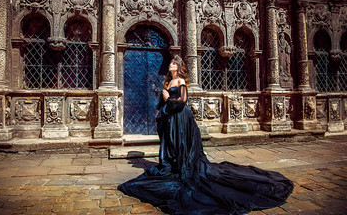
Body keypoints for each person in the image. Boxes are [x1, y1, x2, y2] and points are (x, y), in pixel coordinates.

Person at [118, 55, 293, 215]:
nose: (170, 65)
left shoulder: (180, 81)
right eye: (171, 63)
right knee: (172, 143)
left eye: (173, 63)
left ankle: (182, 165)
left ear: (178, 67)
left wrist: (166, 99)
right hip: (172, 118)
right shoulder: (169, 82)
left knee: (181, 144)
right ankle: (175, 164)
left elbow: (183, 101)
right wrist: (163, 104)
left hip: (181, 118)